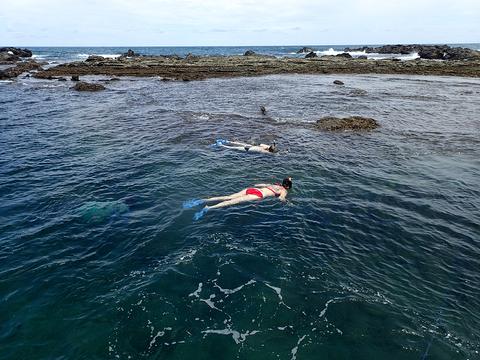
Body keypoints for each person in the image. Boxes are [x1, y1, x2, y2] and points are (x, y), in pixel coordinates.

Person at [183, 177, 293, 220]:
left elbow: (259, 184)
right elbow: (281, 199)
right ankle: (208, 208)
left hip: (252, 189)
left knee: (228, 197)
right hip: (257, 196)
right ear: (287, 186)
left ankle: (201, 201)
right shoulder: (283, 190)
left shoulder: (273, 184)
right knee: (232, 202)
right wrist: (287, 202)